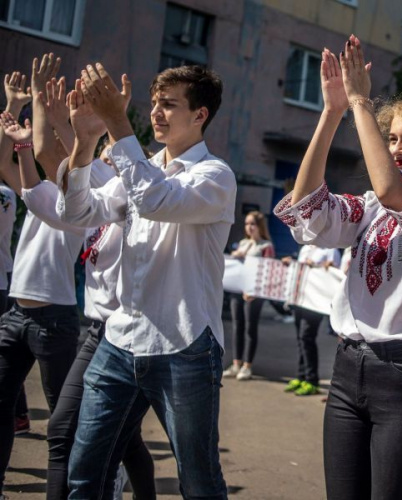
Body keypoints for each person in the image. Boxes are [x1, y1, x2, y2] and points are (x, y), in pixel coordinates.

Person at [274, 36, 402, 499]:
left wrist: (362, 102)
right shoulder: (367, 207)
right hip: (349, 371)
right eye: (391, 138)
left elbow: (397, 196)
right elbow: (306, 210)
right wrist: (331, 114)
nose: (397, 146)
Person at [58, 63, 235, 498]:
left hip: (186, 346)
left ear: (200, 115)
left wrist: (118, 123)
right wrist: (84, 143)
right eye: (154, 103)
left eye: (169, 104)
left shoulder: (215, 176)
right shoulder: (140, 167)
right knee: (85, 473)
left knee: (198, 480)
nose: (156, 112)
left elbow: (154, 199)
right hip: (119, 342)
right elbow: (76, 213)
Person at [0, 56, 84, 499]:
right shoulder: (40, 189)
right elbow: (6, 161)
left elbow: (41, 158)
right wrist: (12, 109)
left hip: (55, 320)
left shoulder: (77, 203)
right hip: (15, 314)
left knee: (62, 420)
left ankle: (86, 484)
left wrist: (37, 102)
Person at [281, 244, 340, 396]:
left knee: (306, 337)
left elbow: (335, 274)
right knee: (301, 338)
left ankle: (312, 380)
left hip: (315, 302)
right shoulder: (305, 248)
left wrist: (324, 266)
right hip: (300, 298)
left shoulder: (329, 248)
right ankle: (301, 376)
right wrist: (291, 263)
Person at [223, 211, 275, 381]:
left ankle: (247, 366)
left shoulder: (266, 246)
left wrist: (255, 291)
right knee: (237, 326)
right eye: (246, 223)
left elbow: (268, 272)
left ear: (259, 226)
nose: (249, 227)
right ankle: (236, 363)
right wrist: (235, 256)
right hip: (237, 290)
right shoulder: (243, 243)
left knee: (250, 328)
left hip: (253, 293)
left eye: (252, 223)